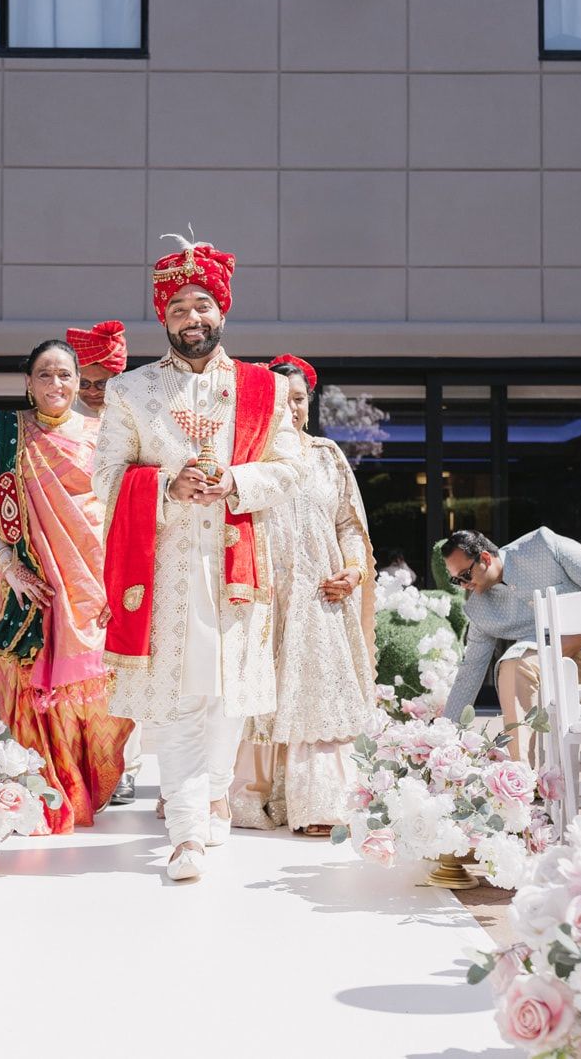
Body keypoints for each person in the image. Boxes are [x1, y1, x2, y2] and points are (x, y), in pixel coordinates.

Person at [94, 231, 304, 880]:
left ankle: (214, 794)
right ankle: (186, 830)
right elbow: (105, 477)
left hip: (240, 569)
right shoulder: (130, 391)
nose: (192, 317)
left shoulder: (263, 389)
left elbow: (291, 468)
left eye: (202, 305)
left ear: (222, 311)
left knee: (228, 698)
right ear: (163, 317)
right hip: (168, 572)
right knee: (184, 699)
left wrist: (235, 481)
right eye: (179, 307)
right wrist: (164, 486)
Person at [0, 340, 132, 834]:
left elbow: (121, 513)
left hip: (91, 580)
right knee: (28, 682)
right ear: (28, 383)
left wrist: (121, 581)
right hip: (25, 581)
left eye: (65, 375)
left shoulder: (106, 434)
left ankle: (85, 789)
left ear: (79, 382)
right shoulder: (2, 432)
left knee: (96, 696)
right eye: (44, 374)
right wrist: (10, 566)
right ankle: (39, 797)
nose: (55, 384)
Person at [230, 355, 375, 836]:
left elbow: (348, 524)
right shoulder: (247, 459)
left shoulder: (327, 457)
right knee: (258, 697)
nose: (290, 409)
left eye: (298, 399)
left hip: (319, 598)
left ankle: (319, 804)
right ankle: (250, 798)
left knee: (317, 697)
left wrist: (354, 570)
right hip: (262, 597)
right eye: (280, 400)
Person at [442, 528, 581, 765]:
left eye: (465, 575)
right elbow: (470, 671)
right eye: (456, 580)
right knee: (513, 665)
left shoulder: (544, 545)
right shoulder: (479, 610)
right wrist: (444, 736)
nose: (463, 585)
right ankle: (522, 774)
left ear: (485, 558)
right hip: (557, 665)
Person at [65, 319, 144, 806]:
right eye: (87, 383)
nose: (94, 392)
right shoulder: (64, 430)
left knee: (125, 665)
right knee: (81, 669)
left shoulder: (138, 424)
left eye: (104, 383)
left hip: (126, 556)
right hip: (73, 563)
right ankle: (80, 763)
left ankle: (126, 765)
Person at [68, 319, 128, 416]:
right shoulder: (60, 413)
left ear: (117, 379)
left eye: (102, 384)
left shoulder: (135, 410)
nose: (93, 392)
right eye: (83, 383)